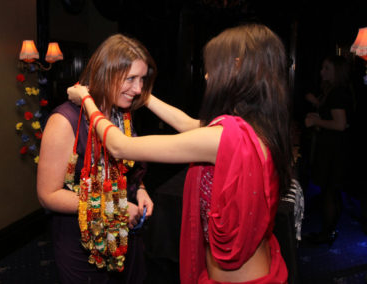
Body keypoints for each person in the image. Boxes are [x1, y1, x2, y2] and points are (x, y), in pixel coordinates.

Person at [68, 23, 292, 283]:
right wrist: (142, 95)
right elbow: (188, 123)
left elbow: (120, 146)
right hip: (258, 265)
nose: (207, 76)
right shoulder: (256, 126)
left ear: (237, 67)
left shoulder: (224, 137)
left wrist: (86, 99)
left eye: (212, 68)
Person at [37, 34, 155, 284]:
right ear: (105, 74)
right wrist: (118, 209)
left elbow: (127, 166)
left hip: (127, 237)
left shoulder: (121, 112)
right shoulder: (64, 120)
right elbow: (48, 195)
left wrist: (140, 188)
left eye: (142, 79)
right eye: (131, 79)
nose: (138, 89)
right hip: (83, 242)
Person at [304, 55, 353, 245]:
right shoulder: (336, 91)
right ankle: (329, 231)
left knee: (330, 191)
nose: (321, 72)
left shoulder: (337, 92)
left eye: (326, 68)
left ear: (336, 72)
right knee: (331, 191)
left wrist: (316, 121)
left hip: (335, 150)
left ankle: (326, 233)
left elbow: (340, 124)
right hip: (336, 148)